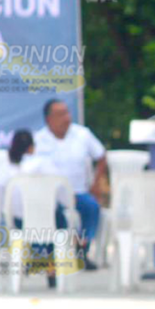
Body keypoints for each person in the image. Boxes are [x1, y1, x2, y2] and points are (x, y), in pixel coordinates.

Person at [34, 99, 107, 270]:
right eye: (60, 114)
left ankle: (82, 249)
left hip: (78, 192)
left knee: (92, 207)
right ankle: (51, 256)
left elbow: (101, 156)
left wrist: (96, 184)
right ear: (49, 119)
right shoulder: (38, 140)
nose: (66, 118)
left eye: (67, 112)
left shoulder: (83, 134)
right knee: (52, 215)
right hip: (50, 196)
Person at [0, 129, 67, 287]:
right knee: (57, 221)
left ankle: (34, 257)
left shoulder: (4, 169)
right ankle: (50, 265)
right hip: (48, 221)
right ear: (31, 148)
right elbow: (61, 188)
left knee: (34, 225)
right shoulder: (43, 164)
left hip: (18, 222)